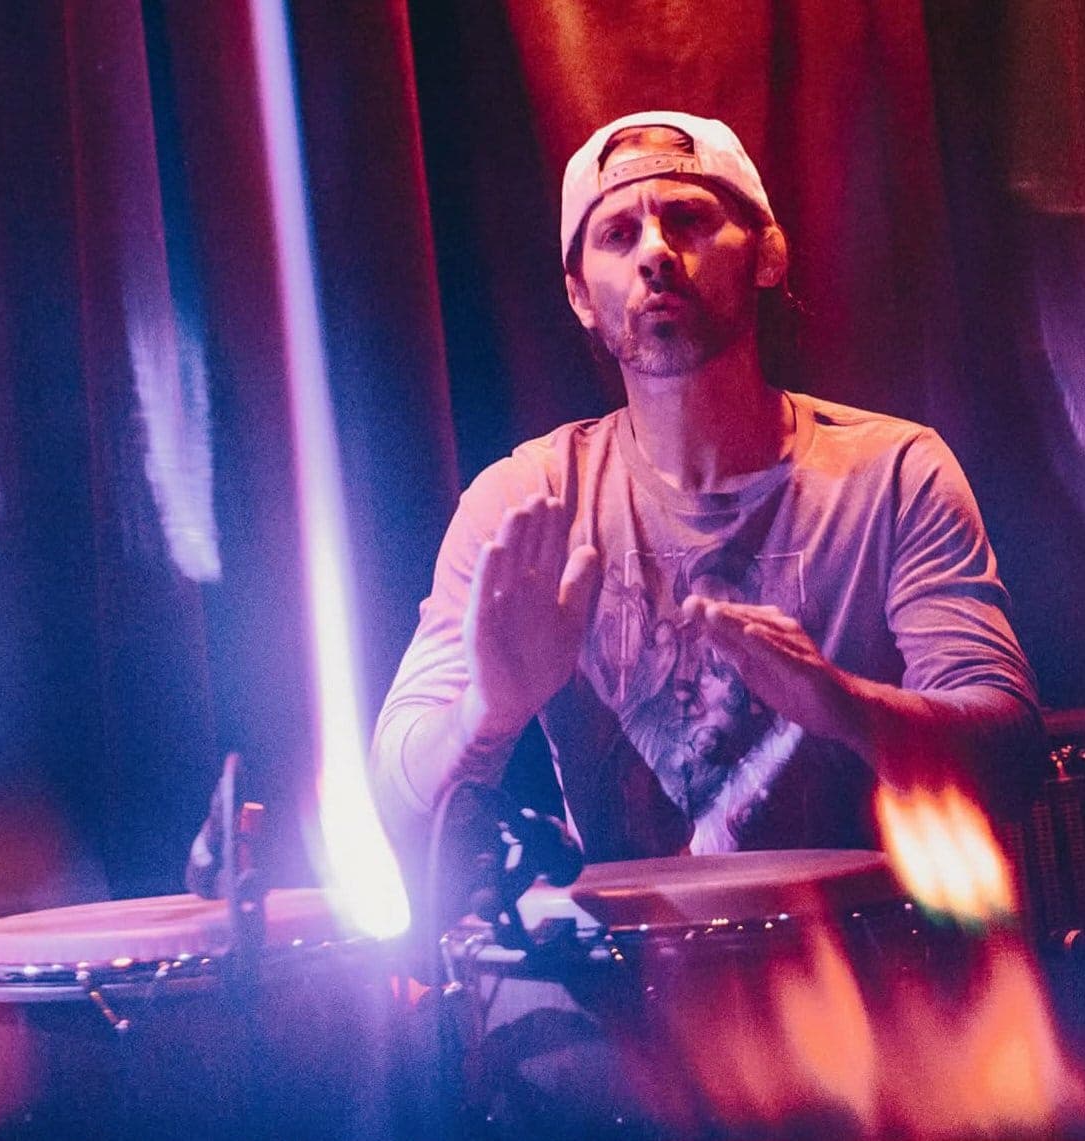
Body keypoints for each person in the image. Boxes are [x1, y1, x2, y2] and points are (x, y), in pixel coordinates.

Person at [371, 109, 1040, 867]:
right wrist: (484, 717)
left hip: (878, 966)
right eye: (618, 235)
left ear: (767, 253)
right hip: (625, 977)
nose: (655, 252)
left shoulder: (894, 472)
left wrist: (843, 707)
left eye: (687, 218)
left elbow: (1012, 757)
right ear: (581, 297)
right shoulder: (525, 500)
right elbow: (396, 801)